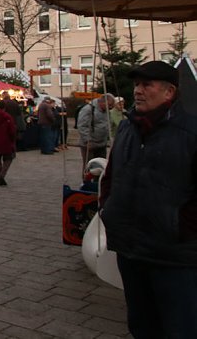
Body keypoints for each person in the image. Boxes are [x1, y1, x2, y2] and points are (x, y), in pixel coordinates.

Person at [99, 61, 197, 338]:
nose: (138, 91)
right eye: (136, 85)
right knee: (142, 326)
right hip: (131, 250)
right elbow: (112, 174)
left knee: (180, 328)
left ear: (169, 92)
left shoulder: (190, 132)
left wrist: (180, 227)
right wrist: (108, 208)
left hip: (173, 257)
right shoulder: (129, 127)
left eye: (146, 85)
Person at [76, 93, 115, 167]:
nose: (111, 107)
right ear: (103, 102)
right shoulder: (88, 109)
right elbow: (82, 126)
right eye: (109, 105)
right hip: (90, 144)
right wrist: (88, 140)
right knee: (90, 167)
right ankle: (87, 179)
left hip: (102, 144)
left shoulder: (107, 111)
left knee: (101, 166)